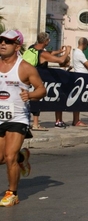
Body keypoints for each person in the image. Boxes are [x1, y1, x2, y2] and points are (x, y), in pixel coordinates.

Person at [0, 30, 46, 206]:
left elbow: (42, 89)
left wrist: (31, 95)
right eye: (1, 40)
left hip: (18, 117)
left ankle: (12, 193)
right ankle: (21, 158)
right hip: (0, 117)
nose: (3, 44)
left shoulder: (25, 67)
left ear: (17, 46)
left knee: (9, 157)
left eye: (8, 42)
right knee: (2, 159)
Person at [23, 32, 71, 130]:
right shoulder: (42, 53)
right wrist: (67, 52)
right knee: (36, 100)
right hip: (36, 79)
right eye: (48, 40)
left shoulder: (32, 48)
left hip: (26, 77)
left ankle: (28, 122)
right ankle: (36, 124)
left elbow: (49, 54)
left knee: (28, 101)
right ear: (46, 41)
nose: (49, 41)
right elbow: (61, 61)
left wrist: (58, 51)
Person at [72, 37, 88, 127]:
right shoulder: (79, 53)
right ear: (84, 44)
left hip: (81, 77)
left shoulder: (77, 52)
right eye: (87, 44)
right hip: (81, 78)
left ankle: (76, 120)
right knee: (78, 100)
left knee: (79, 99)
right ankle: (76, 120)